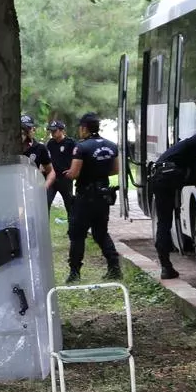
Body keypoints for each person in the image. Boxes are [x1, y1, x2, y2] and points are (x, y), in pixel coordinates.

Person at [151, 131, 196, 280]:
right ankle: (166, 266)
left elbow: (195, 178)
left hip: (160, 175)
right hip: (167, 175)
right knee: (165, 223)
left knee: (164, 222)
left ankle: (165, 266)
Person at [65, 113, 122, 283]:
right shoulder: (112, 146)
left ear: (84, 128)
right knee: (101, 233)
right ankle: (114, 267)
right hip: (103, 196)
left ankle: (74, 272)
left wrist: (69, 174)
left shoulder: (81, 147)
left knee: (77, 235)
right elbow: (115, 170)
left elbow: (74, 174)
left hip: (85, 197)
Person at [45, 120, 76, 212]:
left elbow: (77, 158)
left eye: (54, 131)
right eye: (51, 131)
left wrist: (72, 170)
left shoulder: (70, 143)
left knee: (69, 204)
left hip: (65, 178)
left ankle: (72, 224)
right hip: (53, 178)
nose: (52, 133)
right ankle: (45, 225)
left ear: (62, 130)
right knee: (46, 202)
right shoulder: (50, 143)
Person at [21, 114, 54, 185]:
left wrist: (45, 186)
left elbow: (51, 171)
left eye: (27, 129)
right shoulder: (9, 148)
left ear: (33, 129)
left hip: (32, 189)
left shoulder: (40, 148)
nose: (24, 132)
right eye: (22, 128)